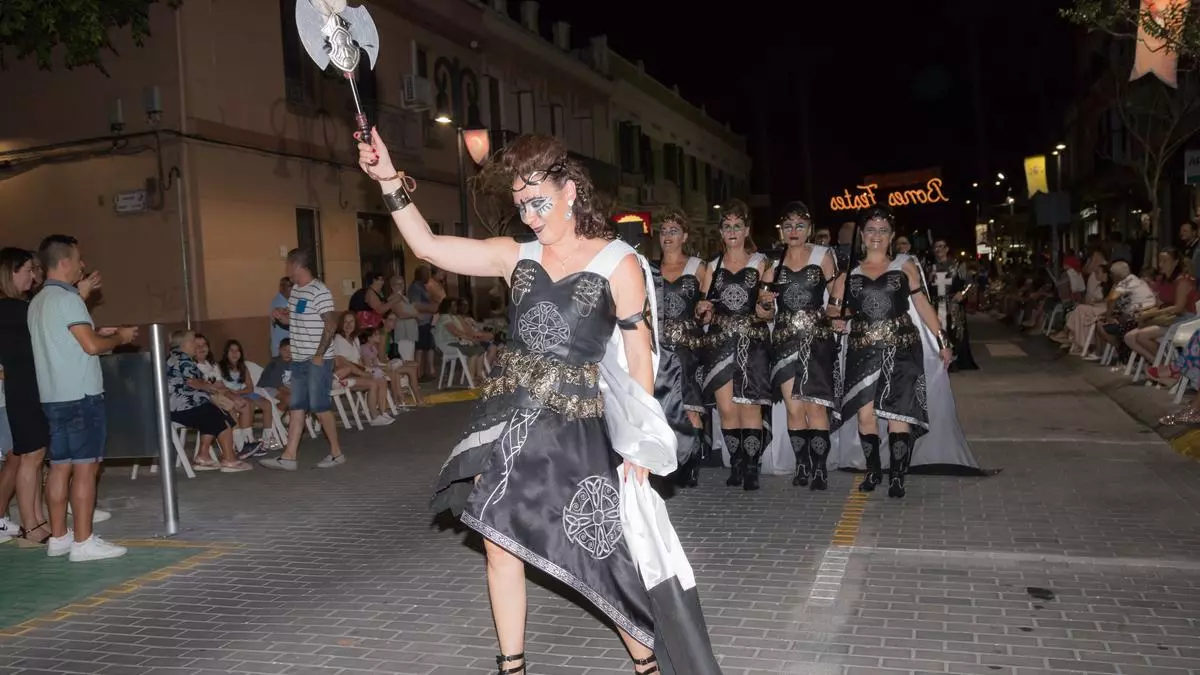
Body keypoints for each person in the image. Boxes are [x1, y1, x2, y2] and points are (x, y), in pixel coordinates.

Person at [356, 128, 722, 674]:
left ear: (569, 191)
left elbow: (638, 357)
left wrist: (640, 444)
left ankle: (647, 663)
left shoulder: (617, 262)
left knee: (605, 557)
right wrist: (388, 179)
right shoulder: (515, 256)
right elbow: (428, 246)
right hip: (511, 422)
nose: (529, 216)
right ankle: (512, 667)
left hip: (577, 433)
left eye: (538, 202)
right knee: (498, 540)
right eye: (521, 205)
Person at [828, 208, 980, 498]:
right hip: (862, 351)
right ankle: (873, 470)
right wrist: (837, 318)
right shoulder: (848, 274)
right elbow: (833, 309)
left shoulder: (905, 265)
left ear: (892, 235)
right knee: (865, 416)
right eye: (871, 230)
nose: (876, 235)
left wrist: (942, 341)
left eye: (882, 230)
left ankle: (897, 476)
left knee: (899, 414)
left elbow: (922, 306)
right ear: (862, 234)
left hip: (902, 348)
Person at [28, 235, 136, 561]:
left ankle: (59, 537)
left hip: (53, 396)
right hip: (81, 396)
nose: (83, 265)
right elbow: (90, 347)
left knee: (59, 467)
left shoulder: (38, 301)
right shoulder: (69, 299)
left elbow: (69, 341)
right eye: (78, 259)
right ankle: (83, 541)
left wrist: (97, 332)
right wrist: (120, 337)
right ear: (64, 263)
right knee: (86, 469)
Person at [757, 202, 838, 490]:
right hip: (784, 342)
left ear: (809, 229)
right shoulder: (773, 265)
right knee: (793, 408)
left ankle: (820, 468)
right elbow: (763, 312)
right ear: (782, 230)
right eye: (788, 226)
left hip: (817, 341)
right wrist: (765, 306)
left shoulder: (823, 256)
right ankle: (802, 465)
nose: (794, 231)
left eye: (800, 225)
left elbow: (837, 293)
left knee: (815, 407)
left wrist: (836, 310)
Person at [698, 199, 772, 491]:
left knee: (750, 406)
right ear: (721, 231)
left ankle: (752, 468)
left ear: (746, 230)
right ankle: (737, 463)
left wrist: (766, 307)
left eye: (737, 226)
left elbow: (767, 310)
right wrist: (703, 310)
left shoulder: (762, 263)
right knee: (727, 408)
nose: (732, 231)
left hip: (752, 343)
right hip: (719, 343)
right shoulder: (711, 267)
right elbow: (705, 311)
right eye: (727, 226)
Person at [261, 249, 345, 470]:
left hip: (317, 360)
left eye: (287, 264)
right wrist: (281, 316)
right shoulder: (297, 291)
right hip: (299, 359)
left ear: (296, 265)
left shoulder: (319, 290)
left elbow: (331, 324)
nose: (286, 269)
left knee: (319, 407)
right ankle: (289, 457)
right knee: (297, 406)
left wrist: (319, 355)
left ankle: (336, 453)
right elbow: (294, 320)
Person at [650, 208, 708, 487]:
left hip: (688, 348)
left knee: (690, 407)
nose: (667, 236)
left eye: (673, 231)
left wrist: (707, 311)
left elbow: (710, 307)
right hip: (659, 349)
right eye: (663, 231)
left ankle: (691, 466)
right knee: (661, 408)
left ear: (685, 236)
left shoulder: (698, 267)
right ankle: (667, 464)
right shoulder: (649, 268)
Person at [0, 248, 51, 544]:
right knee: (30, 457)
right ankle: (31, 525)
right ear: (11, 271)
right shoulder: (13, 309)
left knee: (35, 456)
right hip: (25, 388)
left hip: (27, 387)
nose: (33, 277)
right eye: (28, 270)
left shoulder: (19, 307)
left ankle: (38, 521)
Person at [926, 238, 979, 371]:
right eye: (936, 247)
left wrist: (962, 293)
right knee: (939, 331)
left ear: (947, 249)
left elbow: (970, 282)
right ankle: (941, 360)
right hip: (936, 305)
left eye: (941, 246)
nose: (939, 249)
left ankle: (956, 360)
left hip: (953, 305)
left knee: (955, 332)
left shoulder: (957, 265)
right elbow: (925, 287)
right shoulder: (930, 267)